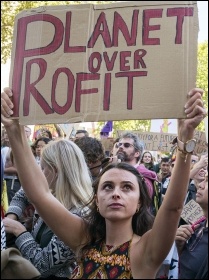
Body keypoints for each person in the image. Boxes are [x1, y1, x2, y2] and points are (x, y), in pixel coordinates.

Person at [1, 87, 206, 279]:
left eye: (127, 187)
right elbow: (39, 195)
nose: (116, 193)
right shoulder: (83, 239)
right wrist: (13, 128)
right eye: (107, 186)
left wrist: (186, 135)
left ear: (140, 203)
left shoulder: (145, 251)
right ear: (97, 200)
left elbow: (172, 208)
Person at [3, 138, 93, 278]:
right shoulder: (53, 194)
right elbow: (22, 195)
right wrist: (11, 217)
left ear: (55, 171)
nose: (39, 173)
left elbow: (42, 266)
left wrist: (18, 231)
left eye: (42, 168)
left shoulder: (81, 214)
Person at [175, 171, 208, 279]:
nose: (200, 185)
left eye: (207, 181)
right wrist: (180, 246)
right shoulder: (199, 226)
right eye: (203, 180)